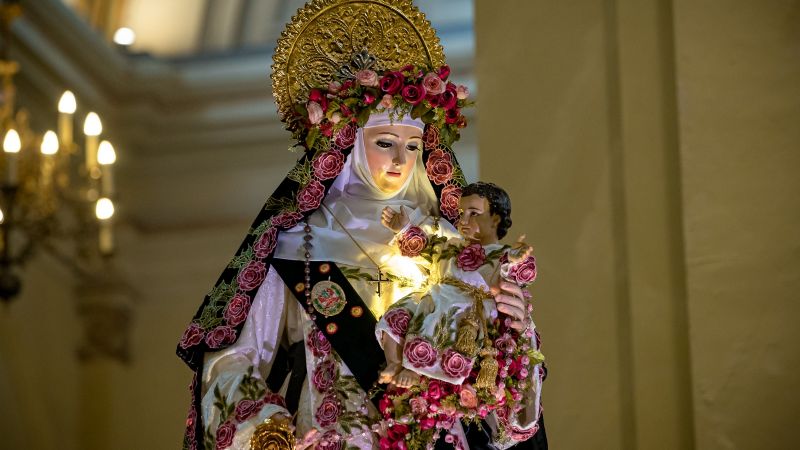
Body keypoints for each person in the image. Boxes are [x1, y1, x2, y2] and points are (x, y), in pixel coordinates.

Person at [175, 1, 544, 449]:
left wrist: (516, 332)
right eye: (385, 142)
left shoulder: (450, 245)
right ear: (347, 145)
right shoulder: (299, 245)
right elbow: (233, 359)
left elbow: (503, 416)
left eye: (413, 145)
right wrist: (270, 430)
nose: (400, 160)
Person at [376, 182, 536, 389]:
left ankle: (415, 369)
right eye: (462, 213)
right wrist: (404, 229)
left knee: (442, 314)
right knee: (399, 312)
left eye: (474, 213)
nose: (464, 220)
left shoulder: (500, 254)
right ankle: (395, 362)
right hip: (437, 296)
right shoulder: (450, 245)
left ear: (495, 219)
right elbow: (425, 249)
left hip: (468, 307)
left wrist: (517, 260)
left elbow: (513, 277)